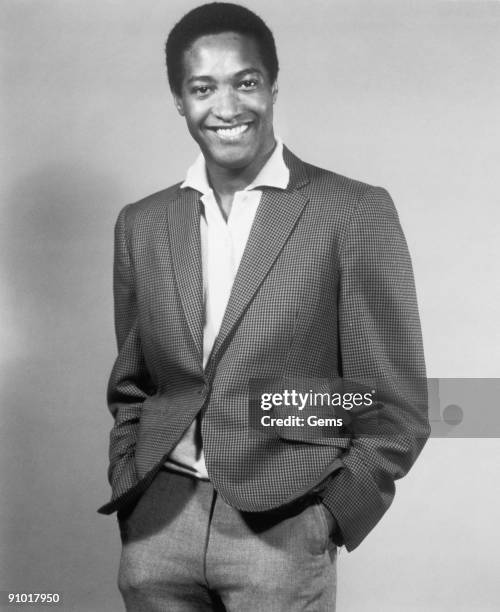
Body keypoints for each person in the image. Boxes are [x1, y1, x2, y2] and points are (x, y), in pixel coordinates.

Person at [98, 3, 430, 610]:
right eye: (203, 88)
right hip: (158, 527)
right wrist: (131, 482)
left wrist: (327, 518)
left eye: (245, 82)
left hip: (282, 529)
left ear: (273, 85)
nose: (226, 107)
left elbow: (394, 403)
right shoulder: (142, 224)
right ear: (179, 100)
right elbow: (133, 384)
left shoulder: (351, 212)